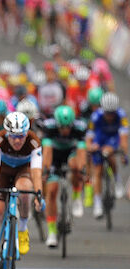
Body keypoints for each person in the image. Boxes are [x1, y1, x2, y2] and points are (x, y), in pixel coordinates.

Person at [0, 112, 44, 269]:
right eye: (13, 137)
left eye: (21, 136)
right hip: (2, 172)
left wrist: (39, 194)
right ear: (7, 134)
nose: (17, 141)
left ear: (27, 133)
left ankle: (22, 227)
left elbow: (36, 172)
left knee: (24, 189)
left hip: (22, 171)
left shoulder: (34, 142)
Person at [41, 105, 87, 247]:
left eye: (68, 127)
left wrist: (82, 170)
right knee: (52, 190)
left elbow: (81, 152)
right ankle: (52, 232)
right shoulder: (49, 127)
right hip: (55, 155)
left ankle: (76, 196)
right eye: (62, 127)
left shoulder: (80, 128)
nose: (65, 130)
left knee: (75, 166)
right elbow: (47, 152)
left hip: (70, 153)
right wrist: (45, 170)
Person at [87, 92, 129, 218]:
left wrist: (124, 154)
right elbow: (89, 138)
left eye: (112, 113)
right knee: (98, 171)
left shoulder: (121, 116)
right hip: (100, 138)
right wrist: (90, 147)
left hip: (113, 138)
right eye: (107, 113)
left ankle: (117, 180)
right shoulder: (95, 117)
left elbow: (124, 139)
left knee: (110, 154)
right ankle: (98, 203)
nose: (110, 116)